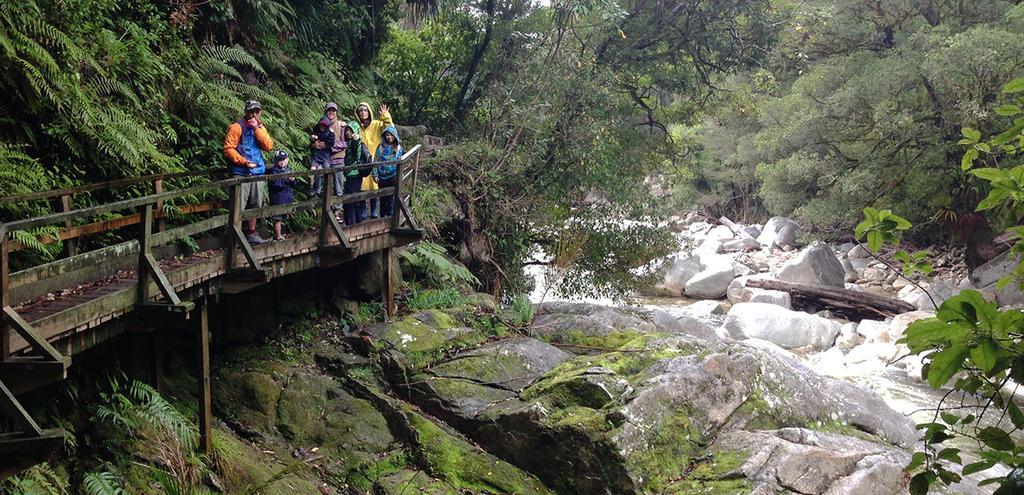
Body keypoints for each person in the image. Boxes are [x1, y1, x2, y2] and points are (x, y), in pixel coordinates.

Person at [223, 100, 273, 245]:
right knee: (238, 205)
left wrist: (257, 129)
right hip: (241, 172)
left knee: (256, 203)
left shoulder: (260, 127)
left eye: (256, 112)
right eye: (251, 112)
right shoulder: (236, 127)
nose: (254, 115)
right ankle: (235, 236)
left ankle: (251, 233)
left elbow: (268, 146)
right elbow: (228, 149)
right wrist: (242, 161)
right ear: (246, 112)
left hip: (257, 171)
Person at [354, 102, 392, 219]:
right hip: (361, 161)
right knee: (362, 186)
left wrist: (385, 115)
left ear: (369, 112)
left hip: (375, 159)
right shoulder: (356, 126)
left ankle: (374, 210)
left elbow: (389, 126)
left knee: (374, 186)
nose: (363, 112)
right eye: (361, 111)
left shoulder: (376, 124)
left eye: (365, 110)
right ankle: (363, 210)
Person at [341, 121, 371, 225]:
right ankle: (357, 221)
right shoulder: (349, 143)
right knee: (353, 199)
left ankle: (351, 225)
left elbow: (356, 145)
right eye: (347, 130)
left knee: (350, 201)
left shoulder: (355, 142)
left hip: (354, 174)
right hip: (351, 174)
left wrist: (356, 139)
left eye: (350, 130)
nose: (348, 132)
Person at [373, 125, 404, 218]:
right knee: (382, 199)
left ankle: (390, 218)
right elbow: (376, 161)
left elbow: (400, 162)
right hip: (381, 177)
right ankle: (382, 217)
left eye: (391, 135)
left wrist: (399, 175)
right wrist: (375, 174)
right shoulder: (381, 147)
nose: (389, 137)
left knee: (390, 198)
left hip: (393, 176)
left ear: (395, 136)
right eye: (387, 135)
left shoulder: (398, 148)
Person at [267, 150, 296, 241]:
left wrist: (292, 180)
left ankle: (281, 234)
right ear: (276, 161)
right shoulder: (274, 172)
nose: (282, 161)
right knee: (277, 218)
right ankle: (278, 236)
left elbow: (294, 185)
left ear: (287, 160)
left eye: (284, 159)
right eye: (280, 160)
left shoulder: (289, 170)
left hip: (287, 198)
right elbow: (276, 185)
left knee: (283, 217)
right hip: (277, 199)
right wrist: (286, 179)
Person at [308, 116, 334, 197]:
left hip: (325, 157)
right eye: (321, 125)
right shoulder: (316, 131)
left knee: (323, 172)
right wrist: (313, 140)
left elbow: (331, 142)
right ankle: (312, 187)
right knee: (313, 171)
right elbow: (310, 144)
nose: (322, 127)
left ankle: (322, 190)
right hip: (316, 156)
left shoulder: (328, 134)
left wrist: (332, 133)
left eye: (324, 126)